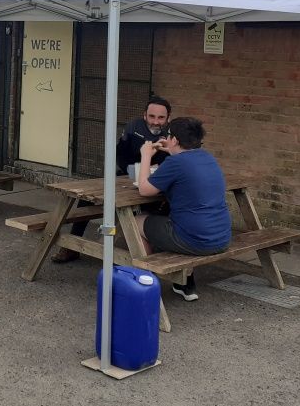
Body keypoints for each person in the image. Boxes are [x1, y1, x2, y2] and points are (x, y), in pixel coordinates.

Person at [50, 96, 171, 264]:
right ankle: (70, 247)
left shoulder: (171, 136)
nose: (156, 122)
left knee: (156, 207)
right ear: (145, 115)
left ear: (168, 118)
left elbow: (170, 166)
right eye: (152, 116)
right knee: (85, 200)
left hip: (154, 183)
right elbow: (119, 154)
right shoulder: (133, 127)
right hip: (126, 176)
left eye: (161, 117)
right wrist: (130, 173)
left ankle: (146, 256)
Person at [134, 117, 231, 302]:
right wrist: (172, 152)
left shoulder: (175, 163)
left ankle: (146, 286)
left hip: (196, 241)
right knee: (174, 220)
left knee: (136, 222)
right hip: (221, 238)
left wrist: (146, 155)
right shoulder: (208, 158)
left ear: (175, 140)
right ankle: (184, 283)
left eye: (168, 136)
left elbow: (145, 189)